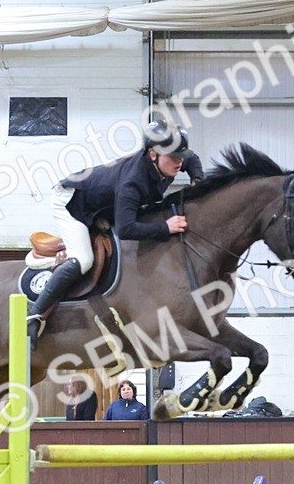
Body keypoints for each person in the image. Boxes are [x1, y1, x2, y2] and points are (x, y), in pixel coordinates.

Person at [27, 121, 205, 347]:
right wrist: (165, 227)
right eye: (174, 157)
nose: (179, 162)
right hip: (72, 203)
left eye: (180, 156)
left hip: (103, 205)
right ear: (152, 155)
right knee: (84, 260)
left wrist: (197, 180)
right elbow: (126, 229)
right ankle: (34, 315)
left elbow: (193, 159)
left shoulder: (171, 161)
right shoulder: (132, 183)